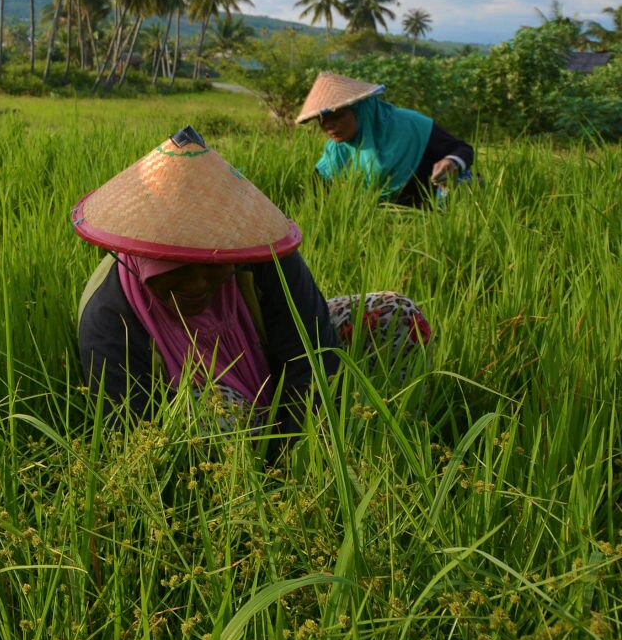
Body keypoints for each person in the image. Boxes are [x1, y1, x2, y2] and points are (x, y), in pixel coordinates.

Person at [72, 127, 431, 441]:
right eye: (176, 269)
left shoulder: (261, 253)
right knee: (215, 414)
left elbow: (311, 353)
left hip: (268, 363)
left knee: (394, 314)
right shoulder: (108, 313)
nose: (198, 284)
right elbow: (126, 423)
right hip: (187, 397)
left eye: (212, 266)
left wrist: (301, 447)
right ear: (144, 258)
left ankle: (385, 424)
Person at [297, 72, 473, 207]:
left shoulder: (409, 124)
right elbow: (314, 193)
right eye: (324, 121)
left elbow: (462, 149)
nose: (330, 127)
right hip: (388, 218)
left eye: (339, 116)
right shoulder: (337, 150)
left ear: (361, 111)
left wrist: (451, 162)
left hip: (434, 207)